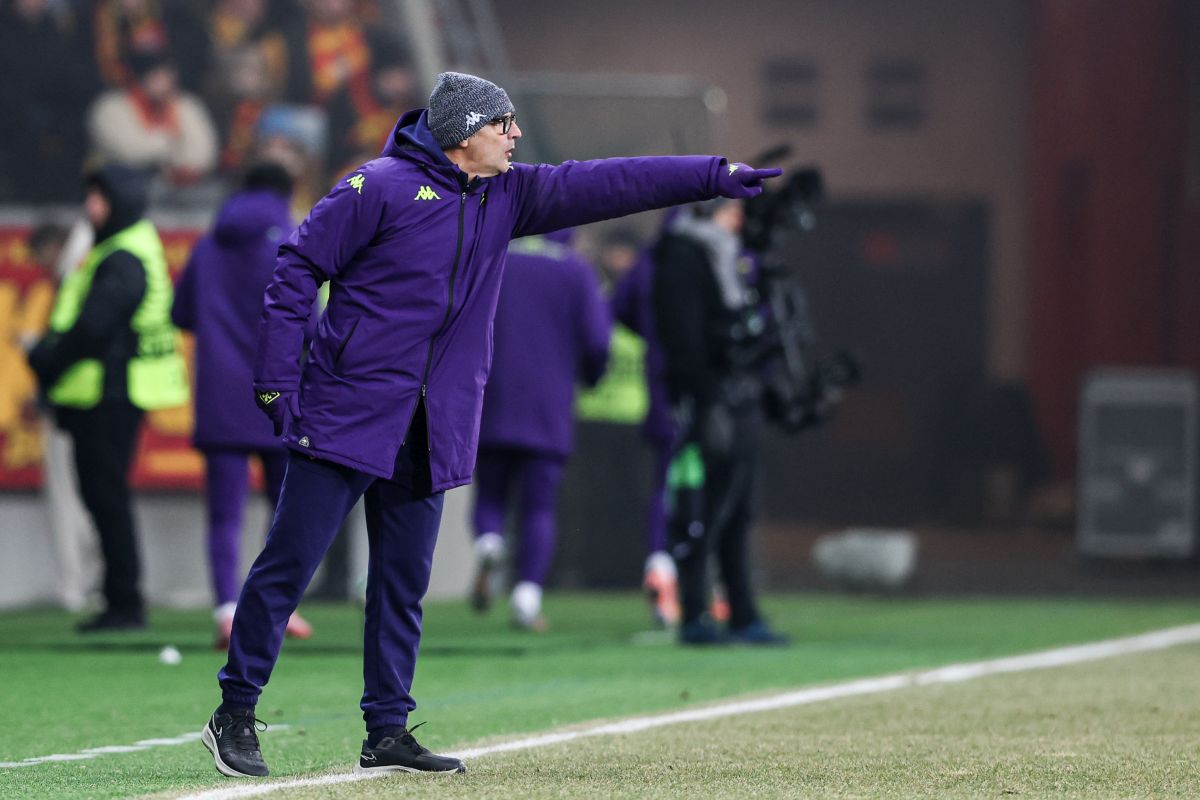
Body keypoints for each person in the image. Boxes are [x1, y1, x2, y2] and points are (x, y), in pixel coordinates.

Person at [200, 70, 780, 779]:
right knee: (288, 566)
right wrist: (275, 378)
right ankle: (234, 713)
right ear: (463, 134)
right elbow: (295, 268)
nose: (516, 135)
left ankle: (387, 729)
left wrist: (714, 175)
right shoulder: (375, 186)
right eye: (504, 124)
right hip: (348, 408)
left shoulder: (508, 193)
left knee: (402, 585)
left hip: (430, 421)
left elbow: (612, 182)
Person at [26, 164, 190, 632]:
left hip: (110, 392)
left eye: (99, 197)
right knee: (102, 494)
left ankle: (125, 602)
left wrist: (47, 359)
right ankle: (120, 598)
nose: (90, 207)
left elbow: (95, 326)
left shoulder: (122, 255)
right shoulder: (123, 247)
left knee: (106, 495)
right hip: (105, 390)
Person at [171, 162, 313, 649]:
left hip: (219, 394)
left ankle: (227, 611)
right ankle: (280, 608)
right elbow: (308, 323)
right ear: (286, 193)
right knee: (287, 509)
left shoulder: (208, 243)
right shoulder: (292, 239)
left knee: (224, 515)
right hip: (279, 393)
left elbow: (180, 313)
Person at [651, 198, 787, 646]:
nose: (739, 221)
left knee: (737, 510)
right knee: (703, 510)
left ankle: (741, 613)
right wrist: (704, 397)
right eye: (731, 210)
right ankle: (695, 611)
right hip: (707, 400)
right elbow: (685, 337)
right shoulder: (684, 258)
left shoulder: (725, 257)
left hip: (733, 396)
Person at [469, 230, 612, 631]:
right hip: (548, 404)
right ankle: (527, 597)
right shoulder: (575, 271)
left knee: (490, 492)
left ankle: (489, 542)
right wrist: (591, 376)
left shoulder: (493, 256)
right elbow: (598, 341)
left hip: (492, 396)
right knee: (539, 506)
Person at [17, 223, 100, 611]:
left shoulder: (76, 275)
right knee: (93, 495)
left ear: (53, 247)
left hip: (71, 406)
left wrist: (37, 354)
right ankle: (97, 581)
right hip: (99, 404)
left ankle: (74, 585)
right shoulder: (96, 266)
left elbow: (67, 344)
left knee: (68, 500)